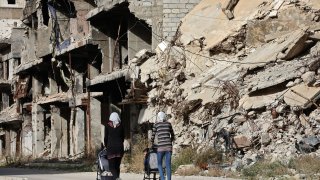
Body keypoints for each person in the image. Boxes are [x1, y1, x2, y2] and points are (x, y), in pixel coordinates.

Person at [151, 112, 175, 180]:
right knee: (168, 165)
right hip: (168, 147)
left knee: (159, 164)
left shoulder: (156, 124)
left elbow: (152, 136)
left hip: (160, 147)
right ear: (165, 117)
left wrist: (152, 143)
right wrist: (170, 141)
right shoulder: (168, 124)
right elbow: (173, 135)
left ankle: (162, 178)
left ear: (158, 117)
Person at [104, 112, 124, 180]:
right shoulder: (121, 126)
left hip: (111, 148)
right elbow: (123, 137)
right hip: (119, 148)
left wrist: (106, 146)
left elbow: (106, 138)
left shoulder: (107, 125)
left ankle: (117, 178)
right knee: (117, 166)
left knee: (112, 167)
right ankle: (117, 177)